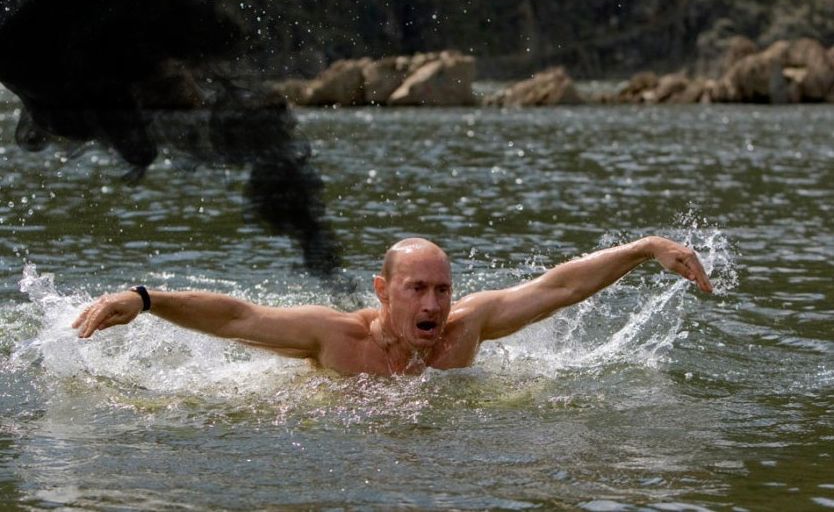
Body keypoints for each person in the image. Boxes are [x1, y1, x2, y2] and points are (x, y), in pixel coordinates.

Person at [73, 236, 713, 375]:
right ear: (382, 292)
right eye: (417, 289)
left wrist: (645, 249)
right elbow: (239, 317)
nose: (434, 303)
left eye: (442, 289)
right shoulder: (334, 336)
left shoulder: (467, 329)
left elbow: (557, 288)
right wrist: (146, 299)